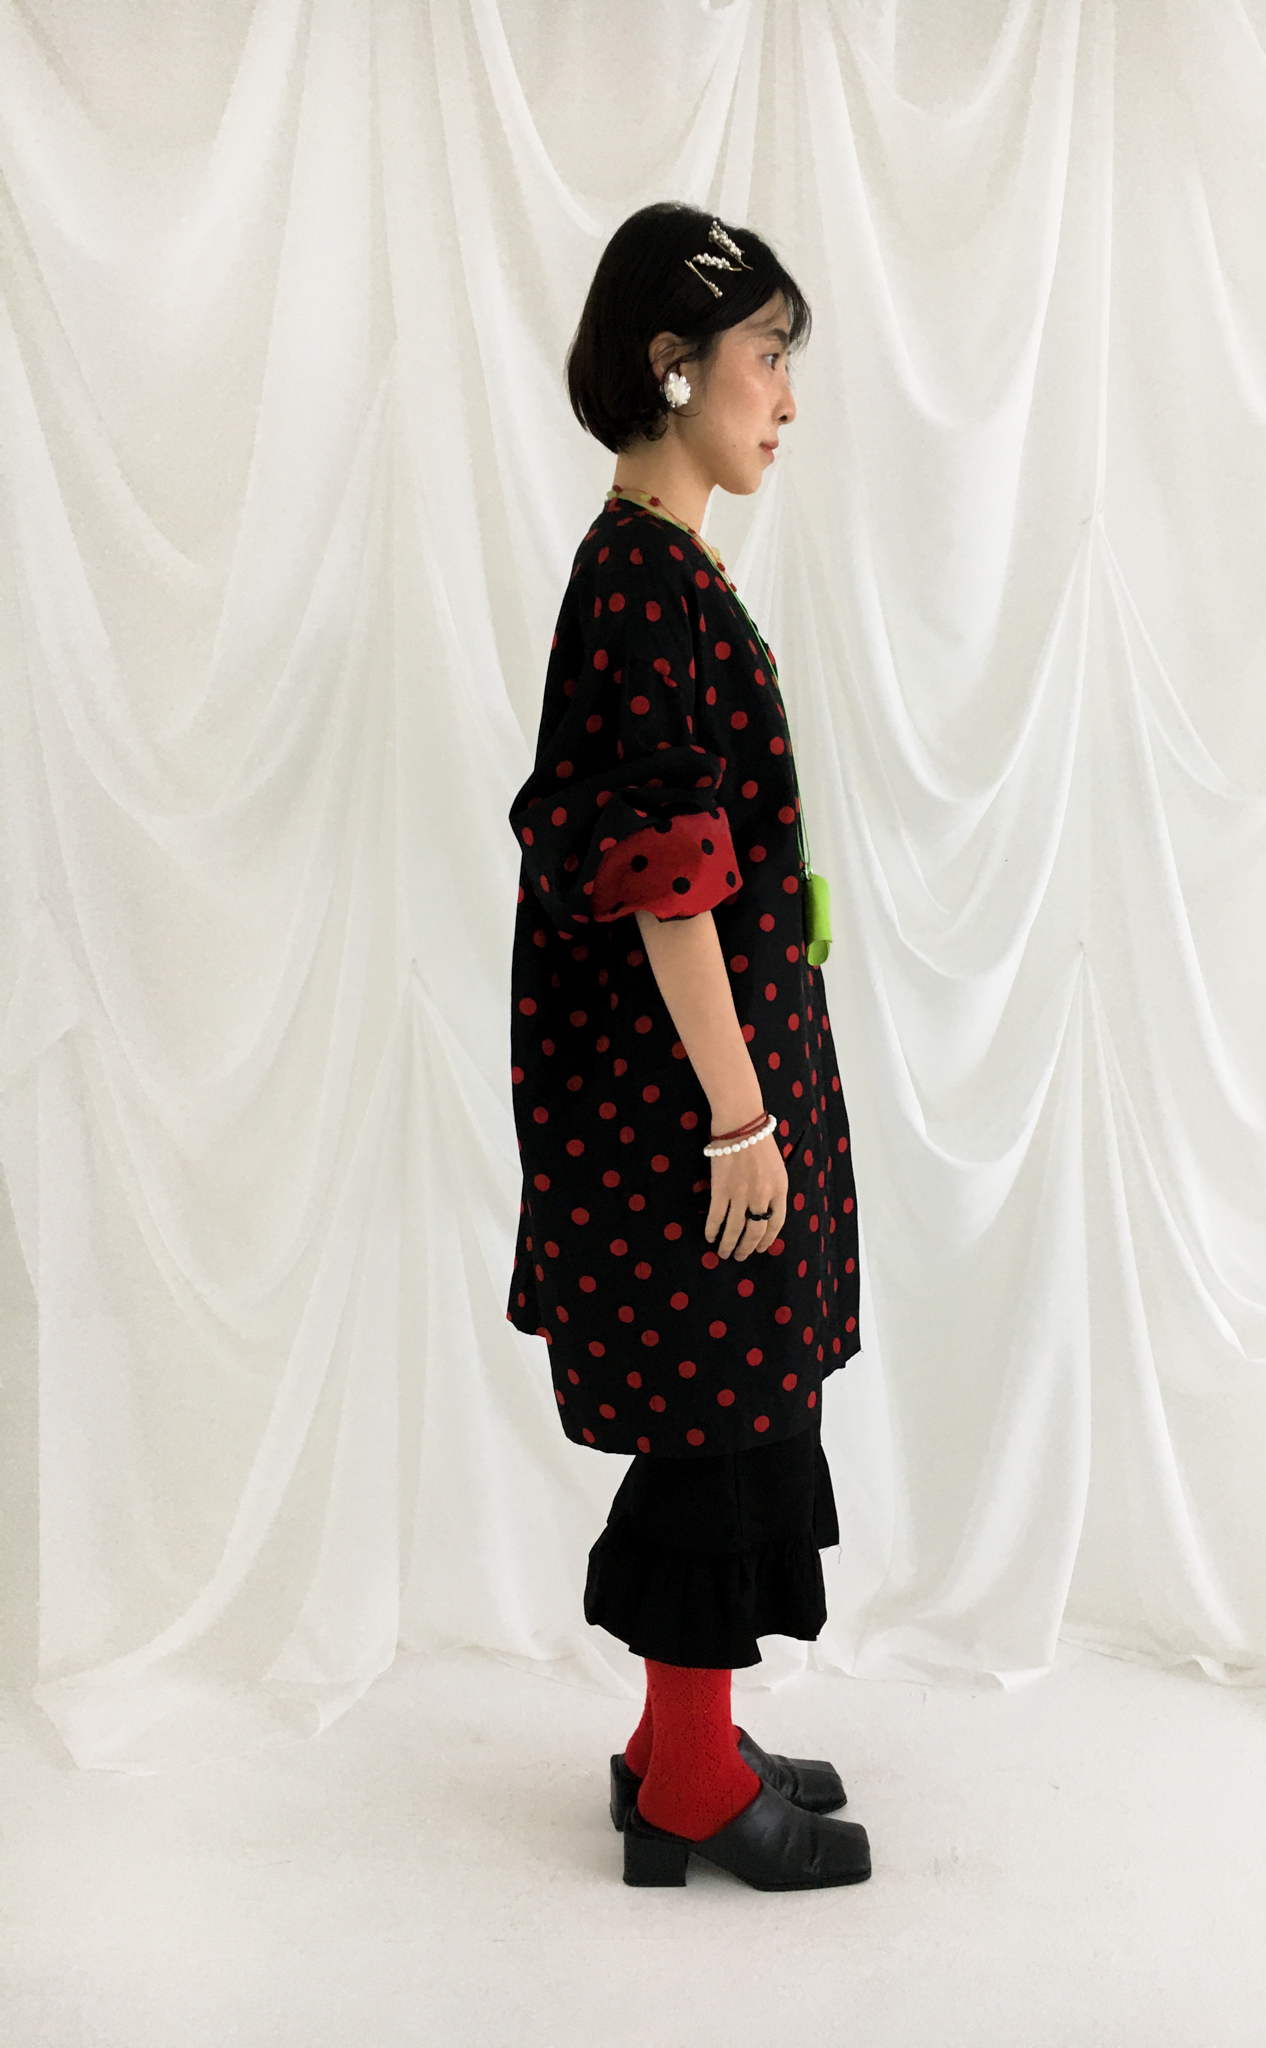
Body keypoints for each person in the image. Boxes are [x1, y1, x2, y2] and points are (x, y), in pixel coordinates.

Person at [506, 202, 870, 1892]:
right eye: (766, 357)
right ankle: (696, 1788)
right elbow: (667, 879)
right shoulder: (643, 585)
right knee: (715, 1424)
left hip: (698, 1088)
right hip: (679, 1107)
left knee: (723, 1409)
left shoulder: (659, 569)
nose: (787, 398)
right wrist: (738, 1115)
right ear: (674, 365)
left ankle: (677, 1744)